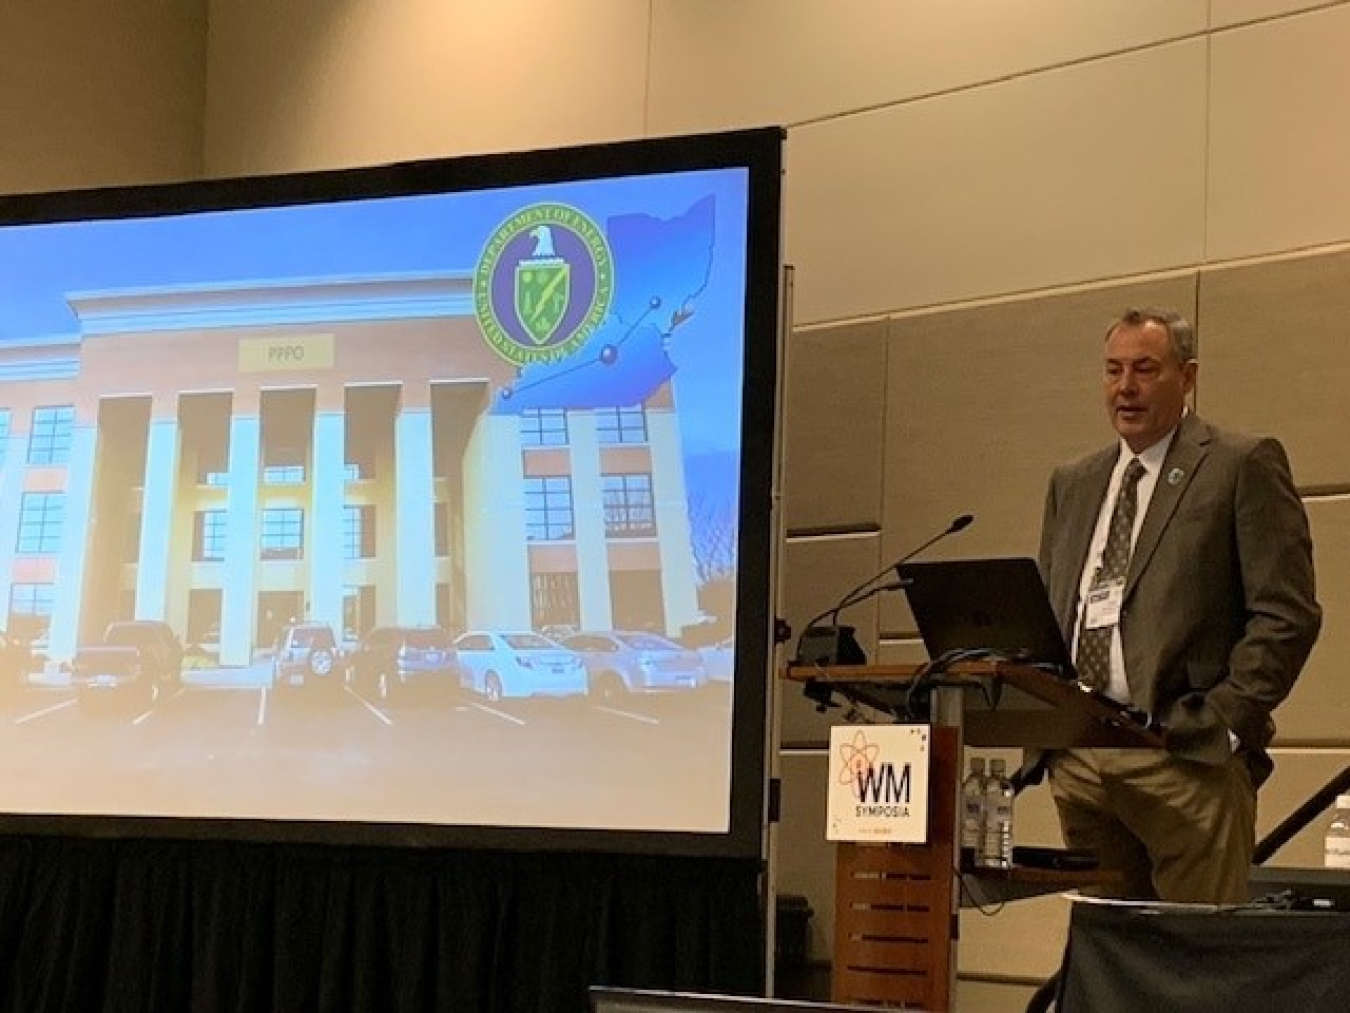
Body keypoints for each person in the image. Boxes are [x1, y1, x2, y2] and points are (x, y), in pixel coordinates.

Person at [1037, 307, 1321, 904]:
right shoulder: (1074, 480)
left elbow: (1287, 614)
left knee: (1199, 967)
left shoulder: (1241, 464)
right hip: (1085, 754)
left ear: (1186, 377)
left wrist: (1223, 721)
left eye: (1145, 369)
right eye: (1113, 370)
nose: (1126, 387)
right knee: (1109, 962)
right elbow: (1056, 608)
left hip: (1184, 755)